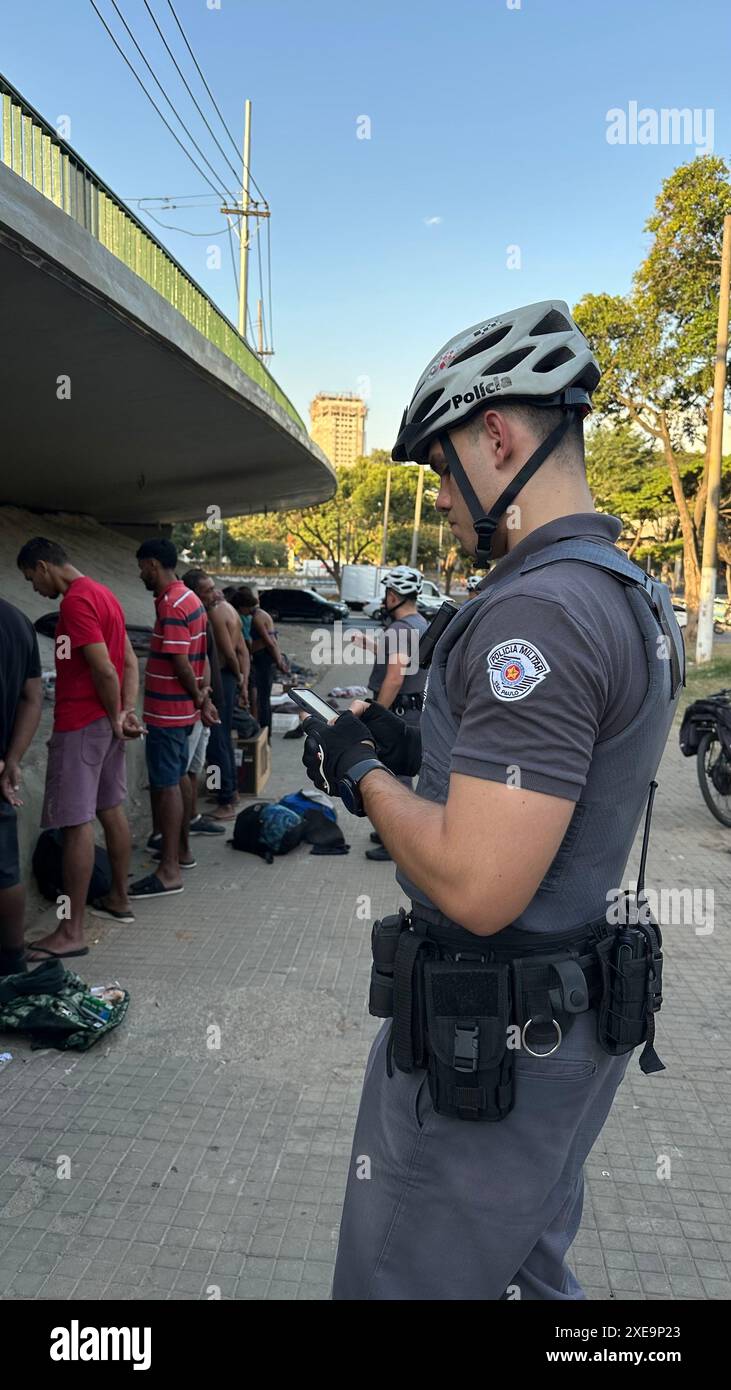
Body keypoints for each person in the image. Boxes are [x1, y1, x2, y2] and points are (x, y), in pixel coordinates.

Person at [300, 300, 684, 1300]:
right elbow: (554, 778)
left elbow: (476, 884)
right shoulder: (623, 595)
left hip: (484, 1067)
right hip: (557, 1047)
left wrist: (359, 770)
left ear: (498, 434)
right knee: (522, 1276)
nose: (436, 500)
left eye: (437, 469)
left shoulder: (536, 611)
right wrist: (414, 745)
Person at [17, 538, 142, 956]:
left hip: (82, 725)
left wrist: (112, 714)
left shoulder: (75, 602)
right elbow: (127, 662)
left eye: (30, 578)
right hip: (107, 725)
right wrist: (124, 713)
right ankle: (120, 898)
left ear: (43, 566)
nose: (34, 588)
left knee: (74, 824)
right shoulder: (104, 594)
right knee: (110, 810)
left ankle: (70, 933)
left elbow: (105, 668)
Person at [130, 539, 214, 899]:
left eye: (141, 567)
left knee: (166, 786)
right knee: (178, 779)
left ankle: (168, 871)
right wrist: (202, 698)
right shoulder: (191, 599)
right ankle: (181, 852)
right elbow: (201, 656)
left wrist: (197, 696)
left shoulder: (171, 603)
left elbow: (181, 660)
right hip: (183, 711)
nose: (140, 574)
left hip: (168, 712)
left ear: (152, 564)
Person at [358, 566, 427, 863]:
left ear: (394, 595)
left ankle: (396, 842)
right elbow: (402, 657)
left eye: (387, 594)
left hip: (397, 711)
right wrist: (372, 645)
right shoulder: (419, 623)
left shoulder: (400, 629)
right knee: (401, 774)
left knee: (394, 779)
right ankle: (393, 833)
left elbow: (395, 677)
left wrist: (377, 714)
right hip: (414, 710)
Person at [182, 571, 249, 821]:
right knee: (221, 741)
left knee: (216, 742)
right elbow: (242, 649)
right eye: (208, 590)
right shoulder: (228, 609)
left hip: (223, 679)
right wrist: (241, 678)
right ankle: (227, 792)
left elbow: (230, 653)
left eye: (212, 589)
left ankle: (226, 799)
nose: (214, 594)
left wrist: (237, 677)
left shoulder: (215, 613)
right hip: (228, 679)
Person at [0, 599, 43, 976]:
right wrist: (13, 757)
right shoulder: (18, 619)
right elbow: (33, 697)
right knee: (5, 868)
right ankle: (12, 961)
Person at [230, 587, 289, 740]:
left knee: (263, 700)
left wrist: (279, 661)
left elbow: (269, 642)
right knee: (261, 698)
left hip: (264, 660)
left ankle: (265, 733)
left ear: (243, 606)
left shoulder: (257, 618)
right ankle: (264, 732)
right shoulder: (261, 614)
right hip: (265, 659)